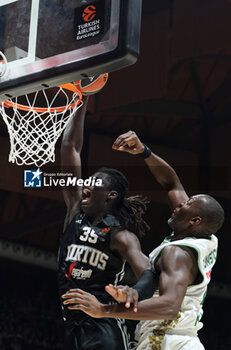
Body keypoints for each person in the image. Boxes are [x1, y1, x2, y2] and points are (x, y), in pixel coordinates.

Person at [62, 130, 224, 350]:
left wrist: (103, 309)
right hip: (175, 338)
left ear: (195, 220)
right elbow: (171, 184)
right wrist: (144, 151)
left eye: (185, 205)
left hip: (168, 340)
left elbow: (169, 307)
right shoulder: (206, 237)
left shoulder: (177, 253)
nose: (179, 204)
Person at [59, 101, 157, 350]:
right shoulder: (74, 212)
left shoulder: (121, 235)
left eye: (95, 181)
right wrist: (83, 98)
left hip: (105, 327)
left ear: (110, 195)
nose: (87, 182)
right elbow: (70, 146)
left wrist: (135, 293)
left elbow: (148, 272)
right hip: (71, 326)